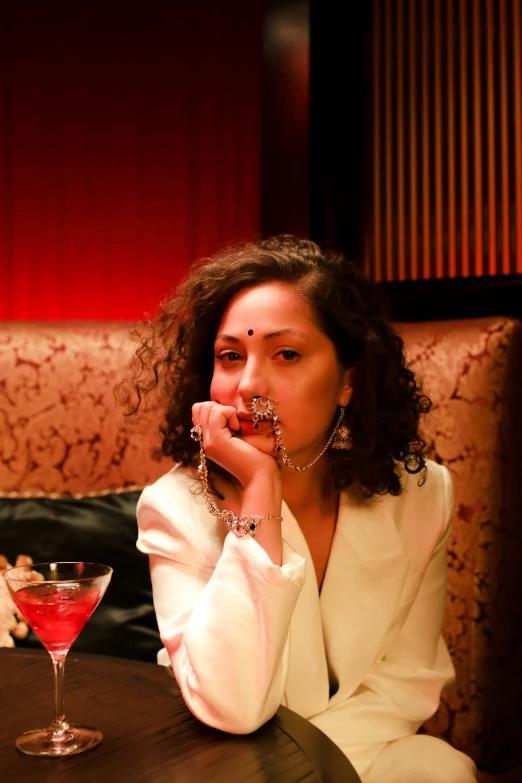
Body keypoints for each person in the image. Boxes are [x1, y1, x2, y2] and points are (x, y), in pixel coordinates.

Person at [127, 235, 477, 783]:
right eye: (230, 356)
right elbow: (233, 707)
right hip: (225, 762)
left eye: (286, 354)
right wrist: (261, 486)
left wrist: (313, 771)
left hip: (362, 750)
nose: (248, 386)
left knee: (441, 769)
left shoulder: (422, 494)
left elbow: (408, 680)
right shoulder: (175, 507)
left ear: (348, 380)